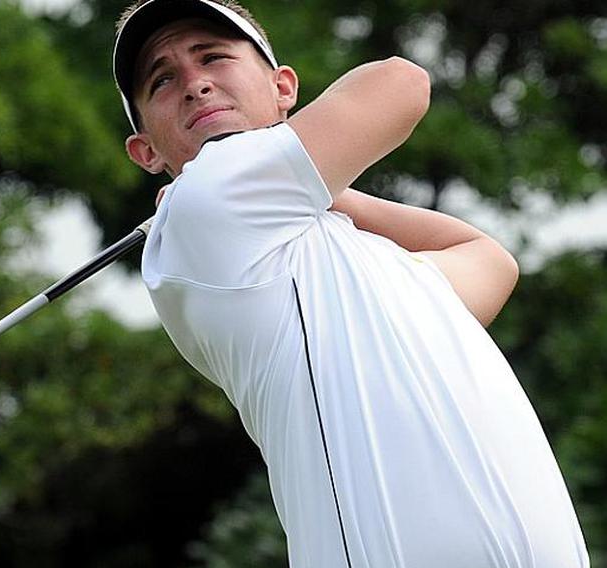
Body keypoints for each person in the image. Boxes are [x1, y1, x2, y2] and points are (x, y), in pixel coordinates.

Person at [112, 0, 592, 567]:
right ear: (147, 152)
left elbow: (488, 260)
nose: (195, 85)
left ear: (283, 85)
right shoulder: (207, 198)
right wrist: (309, 182)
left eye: (213, 57)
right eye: (163, 80)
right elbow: (401, 82)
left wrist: (328, 192)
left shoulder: (364, 264)